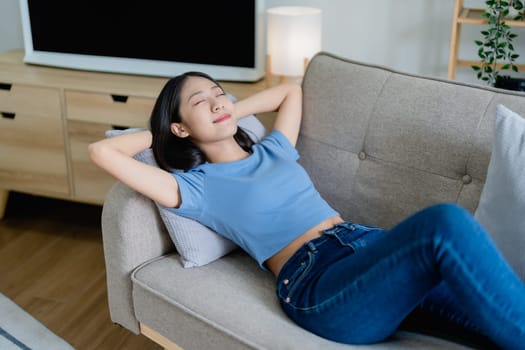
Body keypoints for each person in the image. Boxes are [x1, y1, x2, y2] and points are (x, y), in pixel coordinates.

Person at [89, 71, 525, 349]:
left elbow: (289, 91)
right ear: (181, 125)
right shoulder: (195, 187)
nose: (218, 101)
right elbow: (103, 152)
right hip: (317, 283)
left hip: (367, 253)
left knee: (495, 322)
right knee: (444, 224)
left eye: (220, 92)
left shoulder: (272, 150)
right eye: (201, 100)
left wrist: (228, 110)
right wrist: (165, 135)